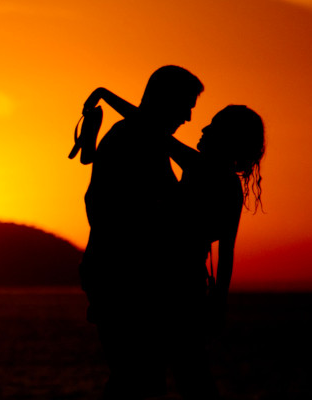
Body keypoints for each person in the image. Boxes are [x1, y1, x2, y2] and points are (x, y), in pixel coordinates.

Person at [78, 87, 265, 399]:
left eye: (213, 126)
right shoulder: (227, 184)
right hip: (187, 288)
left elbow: (146, 124)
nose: (202, 128)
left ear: (227, 138)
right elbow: (226, 252)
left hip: (170, 289)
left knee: (160, 377)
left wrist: (104, 95)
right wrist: (218, 303)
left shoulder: (199, 167)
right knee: (188, 374)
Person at [77, 66, 205, 399]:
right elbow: (105, 207)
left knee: (135, 378)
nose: (190, 117)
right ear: (166, 100)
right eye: (187, 104)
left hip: (118, 277)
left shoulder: (140, 137)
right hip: (126, 282)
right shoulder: (135, 140)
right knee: (139, 379)